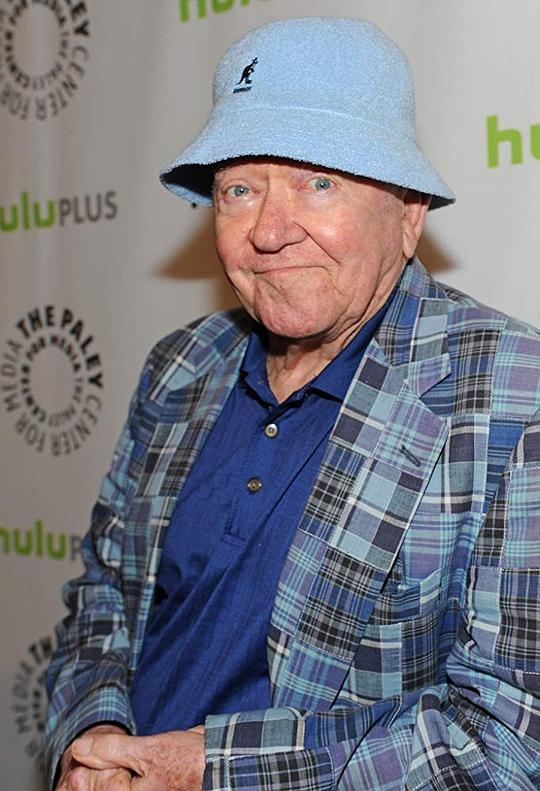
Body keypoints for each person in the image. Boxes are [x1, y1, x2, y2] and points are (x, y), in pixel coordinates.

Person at [45, 17, 540, 791]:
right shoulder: (180, 366)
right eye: (240, 190)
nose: (270, 232)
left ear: (409, 212)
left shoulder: (513, 392)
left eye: (319, 181)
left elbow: (505, 741)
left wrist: (212, 771)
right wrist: (92, 737)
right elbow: (104, 598)